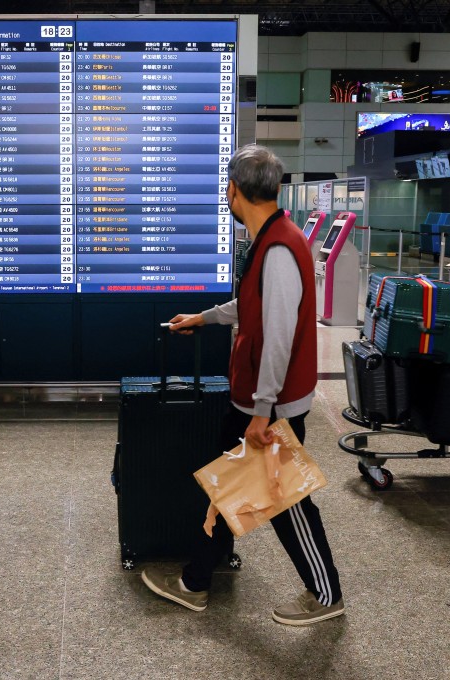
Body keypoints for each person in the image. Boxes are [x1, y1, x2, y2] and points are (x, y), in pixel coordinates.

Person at [141, 144, 345, 625]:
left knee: (285, 499)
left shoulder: (277, 248)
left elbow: (276, 335)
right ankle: (198, 577)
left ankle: (325, 592)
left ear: (233, 191)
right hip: (259, 398)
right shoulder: (274, 237)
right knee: (225, 482)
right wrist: (206, 317)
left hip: (269, 404)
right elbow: (254, 308)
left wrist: (262, 412)